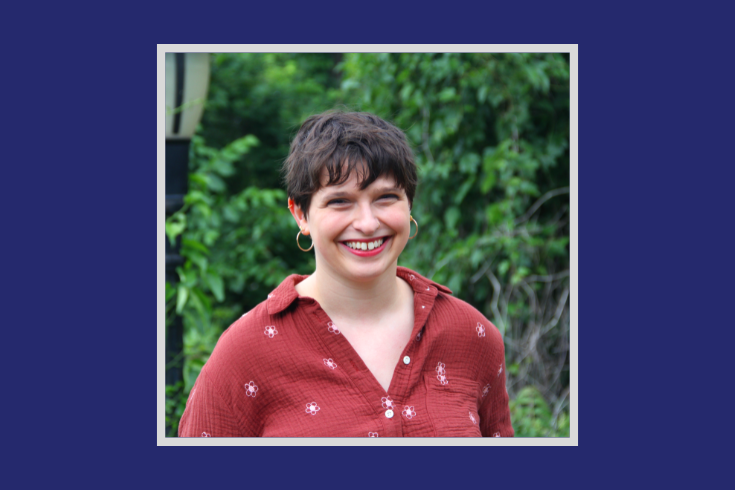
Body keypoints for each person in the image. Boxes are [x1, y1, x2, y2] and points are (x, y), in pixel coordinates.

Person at [178, 111, 513, 437]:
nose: (367, 223)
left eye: (386, 197)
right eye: (340, 201)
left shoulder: (472, 336)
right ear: (301, 215)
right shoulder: (245, 352)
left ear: (409, 204)